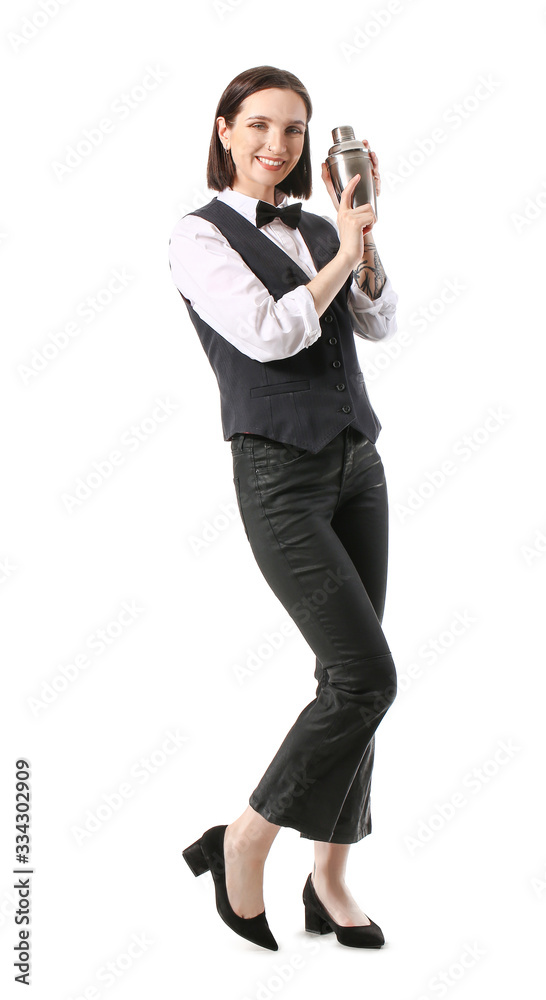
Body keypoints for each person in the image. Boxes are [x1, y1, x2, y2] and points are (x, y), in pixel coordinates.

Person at [168, 65, 399, 951]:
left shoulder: (315, 226)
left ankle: (331, 878)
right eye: (259, 126)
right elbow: (269, 335)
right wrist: (341, 255)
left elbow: (377, 321)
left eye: (295, 131)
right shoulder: (197, 238)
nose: (278, 145)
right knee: (366, 677)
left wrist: (360, 234)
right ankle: (243, 841)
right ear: (224, 130)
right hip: (280, 476)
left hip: (357, 462)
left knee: (351, 682)